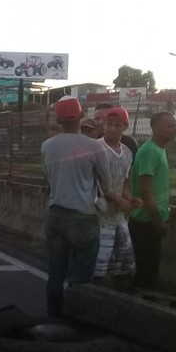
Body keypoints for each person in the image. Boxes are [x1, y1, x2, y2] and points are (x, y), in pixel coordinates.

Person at [41, 96, 115, 317]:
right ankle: (75, 318)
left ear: (58, 119)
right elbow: (107, 185)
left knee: (56, 271)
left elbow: (49, 179)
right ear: (82, 117)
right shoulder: (94, 147)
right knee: (81, 276)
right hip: (83, 216)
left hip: (54, 214)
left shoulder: (47, 146)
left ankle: (53, 316)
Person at [93, 107, 143, 291]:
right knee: (99, 265)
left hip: (119, 215)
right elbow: (96, 182)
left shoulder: (128, 152)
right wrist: (119, 200)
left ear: (125, 127)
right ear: (104, 125)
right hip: (100, 215)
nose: (112, 128)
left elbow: (125, 181)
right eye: (109, 124)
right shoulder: (97, 148)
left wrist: (130, 198)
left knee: (124, 263)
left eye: (117, 125)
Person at [128, 111, 176, 290]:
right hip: (146, 221)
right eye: (169, 126)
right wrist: (158, 219)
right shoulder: (150, 151)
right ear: (155, 128)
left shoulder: (159, 149)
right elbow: (145, 188)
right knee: (146, 271)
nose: (175, 129)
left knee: (149, 268)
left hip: (151, 219)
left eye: (175, 125)